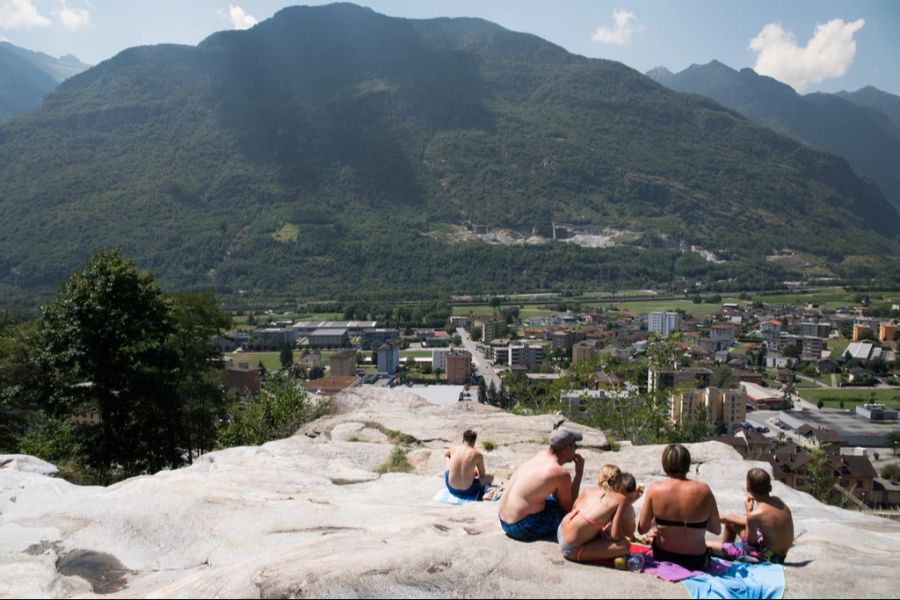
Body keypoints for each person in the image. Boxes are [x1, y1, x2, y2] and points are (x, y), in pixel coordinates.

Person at [638, 443, 721, 570]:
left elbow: (642, 529)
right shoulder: (704, 490)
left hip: (663, 556)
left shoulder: (656, 489)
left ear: (665, 463)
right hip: (696, 561)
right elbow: (716, 529)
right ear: (687, 463)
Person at [498, 427, 585, 541]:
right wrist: (579, 474)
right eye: (575, 446)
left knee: (551, 500)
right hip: (520, 527)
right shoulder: (560, 473)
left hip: (503, 519)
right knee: (574, 518)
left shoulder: (541, 455)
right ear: (567, 448)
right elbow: (569, 508)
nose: (575, 451)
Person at [710, 468, 794, 564]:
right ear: (769, 487)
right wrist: (727, 519)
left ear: (748, 487)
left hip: (769, 558)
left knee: (706, 545)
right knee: (731, 522)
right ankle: (726, 551)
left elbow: (750, 544)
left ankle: (726, 552)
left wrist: (749, 511)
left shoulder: (755, 515)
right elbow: (764, 521)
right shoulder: (778, 501)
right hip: (780, 555)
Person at [558, 469, 644, 562]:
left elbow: (574, 509)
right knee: (624, 545)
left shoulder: (591, 490)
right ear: (618, 487)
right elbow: (615, 535)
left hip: (561, 530)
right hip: (570, 548)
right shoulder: (620, 500)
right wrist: (624, 539)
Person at [444, 429, 493, 500]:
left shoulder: (453, 448)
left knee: (447, 457)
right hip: (468, 491)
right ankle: (485, 489)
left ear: (463, 439)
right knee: (490, 477)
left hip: (451, 487)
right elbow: (482, 475)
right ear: (474, 441)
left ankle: (450, 473)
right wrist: (473, 473)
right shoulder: (477, 454)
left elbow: (446, 454)